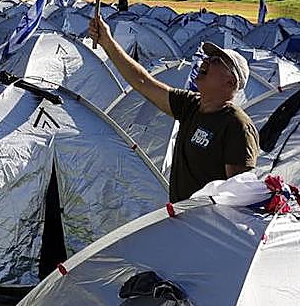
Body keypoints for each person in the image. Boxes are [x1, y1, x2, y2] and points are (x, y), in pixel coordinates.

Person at [88, 15, 258, 202]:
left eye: (217, 61)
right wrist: (108, 42)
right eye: (209, 58)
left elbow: (239, 197)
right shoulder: (190, 105)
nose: (206, 61)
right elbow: (142, 82)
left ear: (231, 81)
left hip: (206, 227)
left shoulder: (236, 126)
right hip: (180, 219)